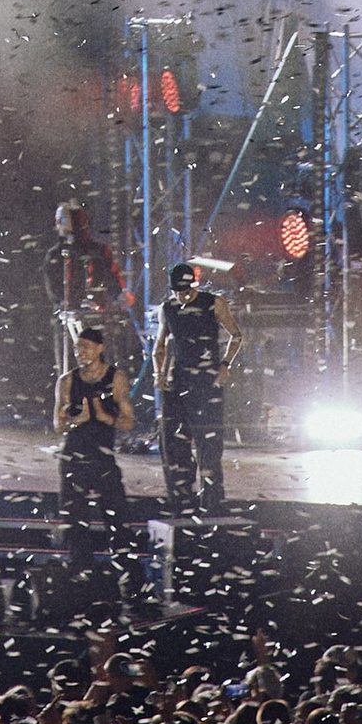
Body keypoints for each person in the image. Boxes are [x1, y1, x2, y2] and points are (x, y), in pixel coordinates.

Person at [53, 320, 136, 610]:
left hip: (102, 458)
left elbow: (128, 421)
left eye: (86, 348)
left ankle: (125, 578)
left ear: (100, 349)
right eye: (78, 349)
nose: (81, 353)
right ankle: (80, 576)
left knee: (117, 518)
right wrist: (76, 421)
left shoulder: (116, 378)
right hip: (74, 457)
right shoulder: (68, 381)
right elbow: (58, 424)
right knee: (75, 521)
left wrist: (105, 418)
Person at [151, 261, 232, 513]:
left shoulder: (213, 303)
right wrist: (158, 372)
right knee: (174, 445)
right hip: (177, 383)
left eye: (186, 291)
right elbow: (160, 346)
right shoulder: (168, 309)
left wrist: (226, 364)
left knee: (209, 446)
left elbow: (236, 334)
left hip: (206, 385)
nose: (182, 296)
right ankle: (181, 501)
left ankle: (212, 501)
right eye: (178, 291)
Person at [47, 204, 133, 383]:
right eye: (58, 219)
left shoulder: (97, 251)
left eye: (63, 218)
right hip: (66, 320)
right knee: (68, 370)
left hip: (94, 318)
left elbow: (111, 275)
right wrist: (62, 304)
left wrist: (119, 294)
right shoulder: (55, 254)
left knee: (96, 368)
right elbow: (52, 286)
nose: (58, 223)